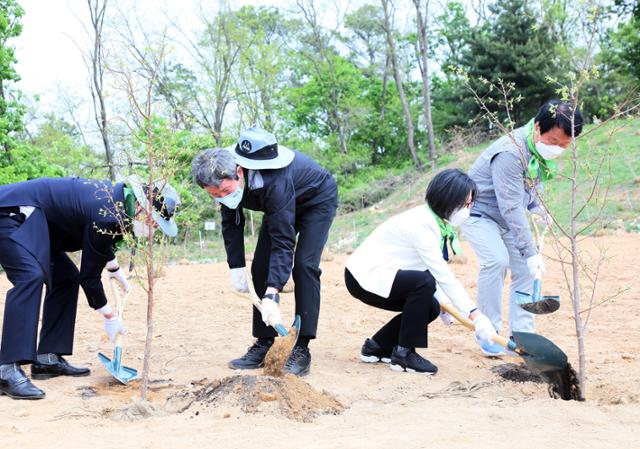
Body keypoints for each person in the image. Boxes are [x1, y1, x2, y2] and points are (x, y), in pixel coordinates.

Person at [0, 175, 180, 399]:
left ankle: (47, 359)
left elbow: (98, 242)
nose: (152, 229)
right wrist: (109, 316)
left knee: (66, 277)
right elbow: (90, 277)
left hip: (40, 225)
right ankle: (6, 370)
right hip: (11, 213)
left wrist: (114, 270)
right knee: (30, 277)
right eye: (153, 222)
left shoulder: (117, 203)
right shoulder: (109, 212)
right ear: (141, 209)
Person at [191, 127, 338, 376]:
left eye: (225, 192)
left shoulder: (274, 181)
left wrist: (272, 294)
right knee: (259, 267)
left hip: (315, 201)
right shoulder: (223, 172)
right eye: (215, 195)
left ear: (239, 173)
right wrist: (236, 268)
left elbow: (283, 241)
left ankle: (301, 347)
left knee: (304, 265)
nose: (222, 197)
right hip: (278, 207)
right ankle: (264, 342)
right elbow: (231, 224)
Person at [460, 99, 583, 356]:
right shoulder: (510, 153)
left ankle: (523, 336)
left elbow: (529, 188)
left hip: (505, 217)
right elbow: (511, 208)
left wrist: (538, 208)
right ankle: (489, 333)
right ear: (537, 128)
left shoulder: (537, 150)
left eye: (565, 145)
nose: (558, 149)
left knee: (526, 271)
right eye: (553, 142)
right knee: (497, 261)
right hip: (478, 212)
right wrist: (530, 252)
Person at [344, 169, 497, 374]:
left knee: (431, 306)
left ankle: (377, 347)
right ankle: (404, 355)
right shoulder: (421, 224)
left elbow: (426, 268)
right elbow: (439, 273)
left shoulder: (435, 222)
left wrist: (445, 305)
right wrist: (476, 315)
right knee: (423, 283)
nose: (467, 210)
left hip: (385, 275)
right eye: (465, 204)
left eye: (470, 204)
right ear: (448, 199)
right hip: (364, 277)